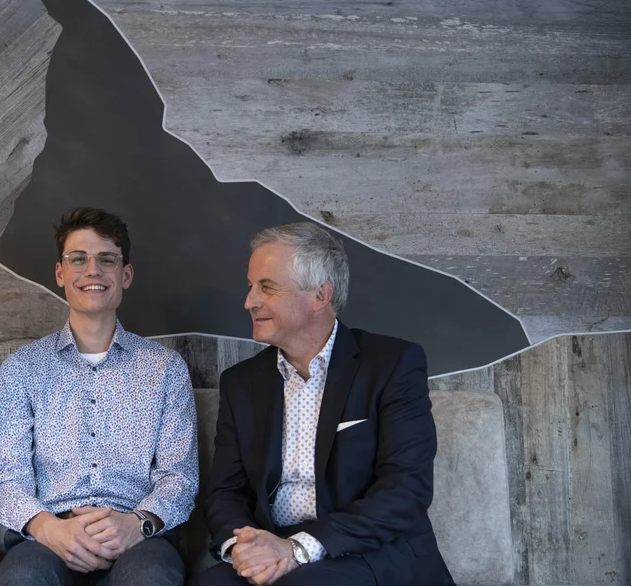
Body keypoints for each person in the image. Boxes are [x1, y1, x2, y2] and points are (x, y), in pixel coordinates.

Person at [194, 222, 455, 586]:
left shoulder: (392, 364)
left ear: (320, 296)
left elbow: (405, 491)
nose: (249, 301)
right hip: (273, 546)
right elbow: (226, 491)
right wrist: (244, 546)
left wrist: (299, 549)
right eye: (250, 286)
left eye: (266, 287)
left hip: (366, 550)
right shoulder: (241, 383)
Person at [0, 207, 198, 586]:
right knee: (23, 580)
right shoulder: (22, 369)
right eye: (78, 259)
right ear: (60, 273)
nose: (92, 271)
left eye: (107, 260)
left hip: (137, 536)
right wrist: (50, 529)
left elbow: (179, 477)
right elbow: (7, 478)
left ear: (125, 275)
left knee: (149, 579)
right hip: (47, 534)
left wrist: (137, 524)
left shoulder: (165, 369)